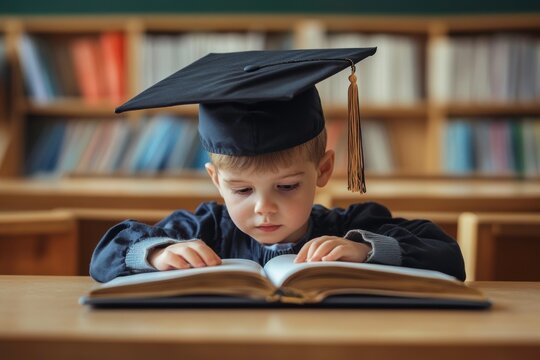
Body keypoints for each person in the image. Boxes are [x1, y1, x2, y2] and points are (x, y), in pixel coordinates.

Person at [90, 48, 465, 283]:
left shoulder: (352, 227)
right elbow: (105, 254)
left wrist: (365, 251)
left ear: (322, 170)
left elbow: (448, 255)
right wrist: (156, 253)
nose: (263, 208)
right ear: (215, 180)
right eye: (241, 190)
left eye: (286, 187)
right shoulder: (202, 229)